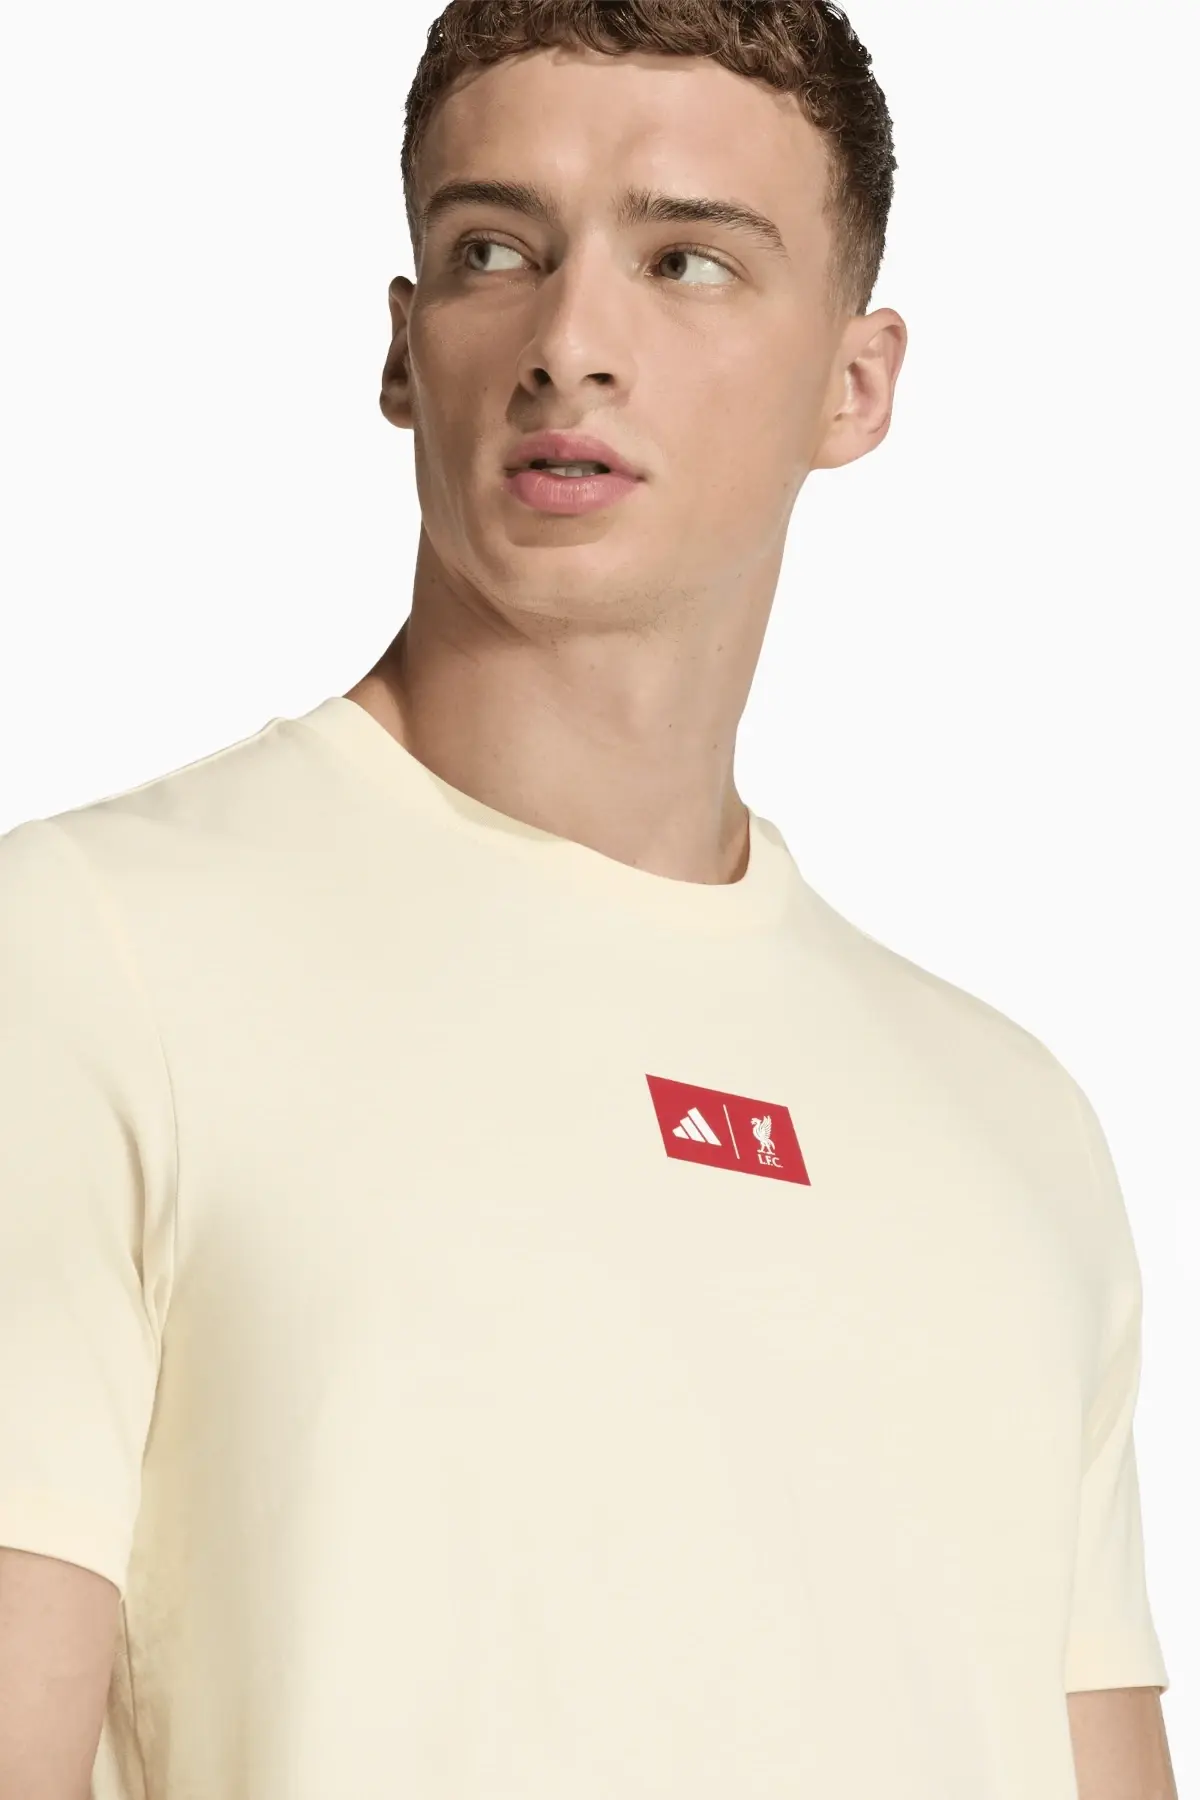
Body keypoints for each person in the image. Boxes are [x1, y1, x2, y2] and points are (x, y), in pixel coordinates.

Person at [0, 3, 1178, 1797]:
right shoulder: (86, 956)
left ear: (856, 383)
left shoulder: (1015, 1129)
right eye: (496, 251)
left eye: (687, 260)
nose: (570, 344)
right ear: (404, 347)